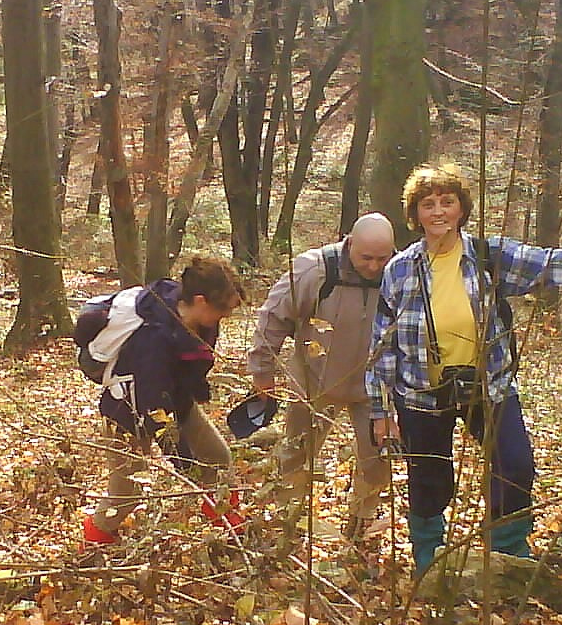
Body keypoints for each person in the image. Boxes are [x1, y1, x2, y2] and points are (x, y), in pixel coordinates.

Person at [367, 163, 562, 577]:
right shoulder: (401, 269)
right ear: (415, 214)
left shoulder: (487, 255)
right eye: (428, 205)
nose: (438, 211)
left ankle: (508, 550)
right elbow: (383, 343)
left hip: (488, 385)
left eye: (448, 202)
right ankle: (429, 553)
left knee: (514, 464)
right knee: (429, 477)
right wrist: (379, 409)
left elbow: (545, 264)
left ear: (462, 208)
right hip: (420, 393)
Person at [246, 214, 396, 540]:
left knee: (377, 460)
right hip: (315, 383)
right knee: (296, 456)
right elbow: (272, 317)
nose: (373, 267)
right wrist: (262, 371)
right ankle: (288, 525)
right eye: (366, 258)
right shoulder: (314, 270)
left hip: (374, 390)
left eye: (381, 259)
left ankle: (361, 524)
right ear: (350, 243)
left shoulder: (401, 275)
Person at [83, 255, 250, 546]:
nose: (224, 319)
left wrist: (197, 388)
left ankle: (226, 520)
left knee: (218, 458)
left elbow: (192, 363)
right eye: (222, 311)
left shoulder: (201, 320)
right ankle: (95, 541)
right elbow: (154, 412)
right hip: (127, 412)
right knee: (127, 489)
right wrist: (184, 464)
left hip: (177, 399)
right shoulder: (154, 338)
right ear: (200, 301)